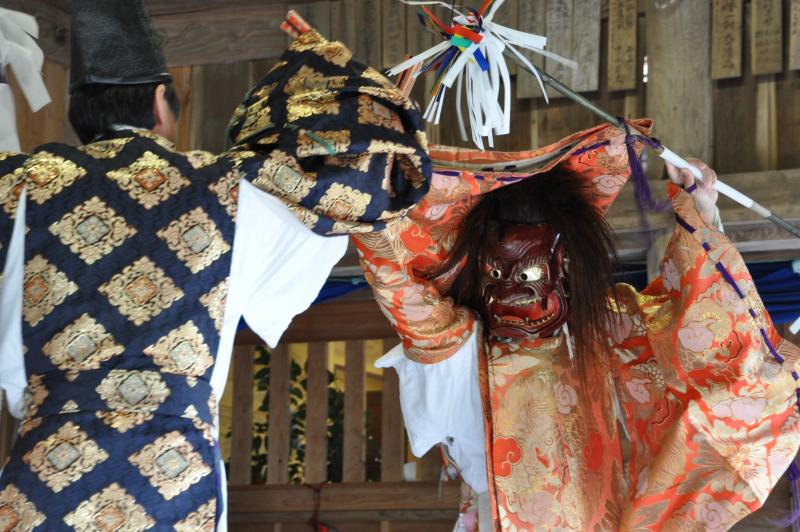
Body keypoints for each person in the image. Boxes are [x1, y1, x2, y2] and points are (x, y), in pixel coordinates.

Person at [0, 1, 430, 529]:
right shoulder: (235, 188)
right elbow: (358, 188)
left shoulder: (17, 185)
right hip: (172, 478)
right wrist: (331, 66)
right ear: (161, 102)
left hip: (45, 475)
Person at [353, 120, 800, 530]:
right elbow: (408, 299)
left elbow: (700, 324)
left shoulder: (612, 326)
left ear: (563, 265)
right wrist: (370, 223)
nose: (513, 291)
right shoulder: (463, 348)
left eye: (529, 274)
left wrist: (699, 212)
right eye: (496, 273)